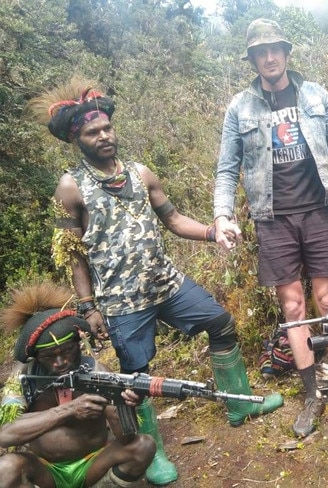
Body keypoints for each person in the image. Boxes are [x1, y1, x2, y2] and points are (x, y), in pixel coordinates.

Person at [27, 76, 284, 485]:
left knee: (220, 322)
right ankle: (152, 453)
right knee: (136, 377)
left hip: (166, 283)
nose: (104, 136)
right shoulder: (70, 187)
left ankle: (240, 406)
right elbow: (73, 256)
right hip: (121, 300)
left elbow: (174, 220)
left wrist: (214, 232)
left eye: (107, 128)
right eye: (93, 132)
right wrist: (88, 308)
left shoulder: (142, 173)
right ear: (78, 139)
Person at [213, 18, 328, 438]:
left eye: (275, 50)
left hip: (317, 211)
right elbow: (226, 169)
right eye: (260, 52)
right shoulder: (240, 107)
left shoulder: (315, 95)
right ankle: (312, 396)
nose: (269, 58)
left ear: (287, 53)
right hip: (273, 219)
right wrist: (222, 215)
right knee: (293, 309)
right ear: (252, 59)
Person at [0, 282, 156, 488]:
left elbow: (128, 439)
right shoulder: (22, 377)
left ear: (78, 344)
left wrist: (124, 407)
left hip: (94, 464)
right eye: (49, 356)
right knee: (6, 468)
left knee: (143, 446)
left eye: (66, 351)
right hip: (44, 470)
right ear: (36, 357)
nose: (60, 362)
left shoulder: (98, 372)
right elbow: (5, 435)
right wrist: (69, 410)